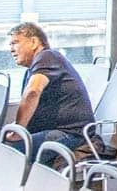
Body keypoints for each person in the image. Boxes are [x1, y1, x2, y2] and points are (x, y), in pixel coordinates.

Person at [6, 22, 95, 165]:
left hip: (71, 134)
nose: (11, 49)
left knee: (9, 150)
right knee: (2, 142)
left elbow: (33, 92)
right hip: (58, 130)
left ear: (34, 42)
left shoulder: (47, 57)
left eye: (15, 43)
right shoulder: (33, 69)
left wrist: (18, 129)